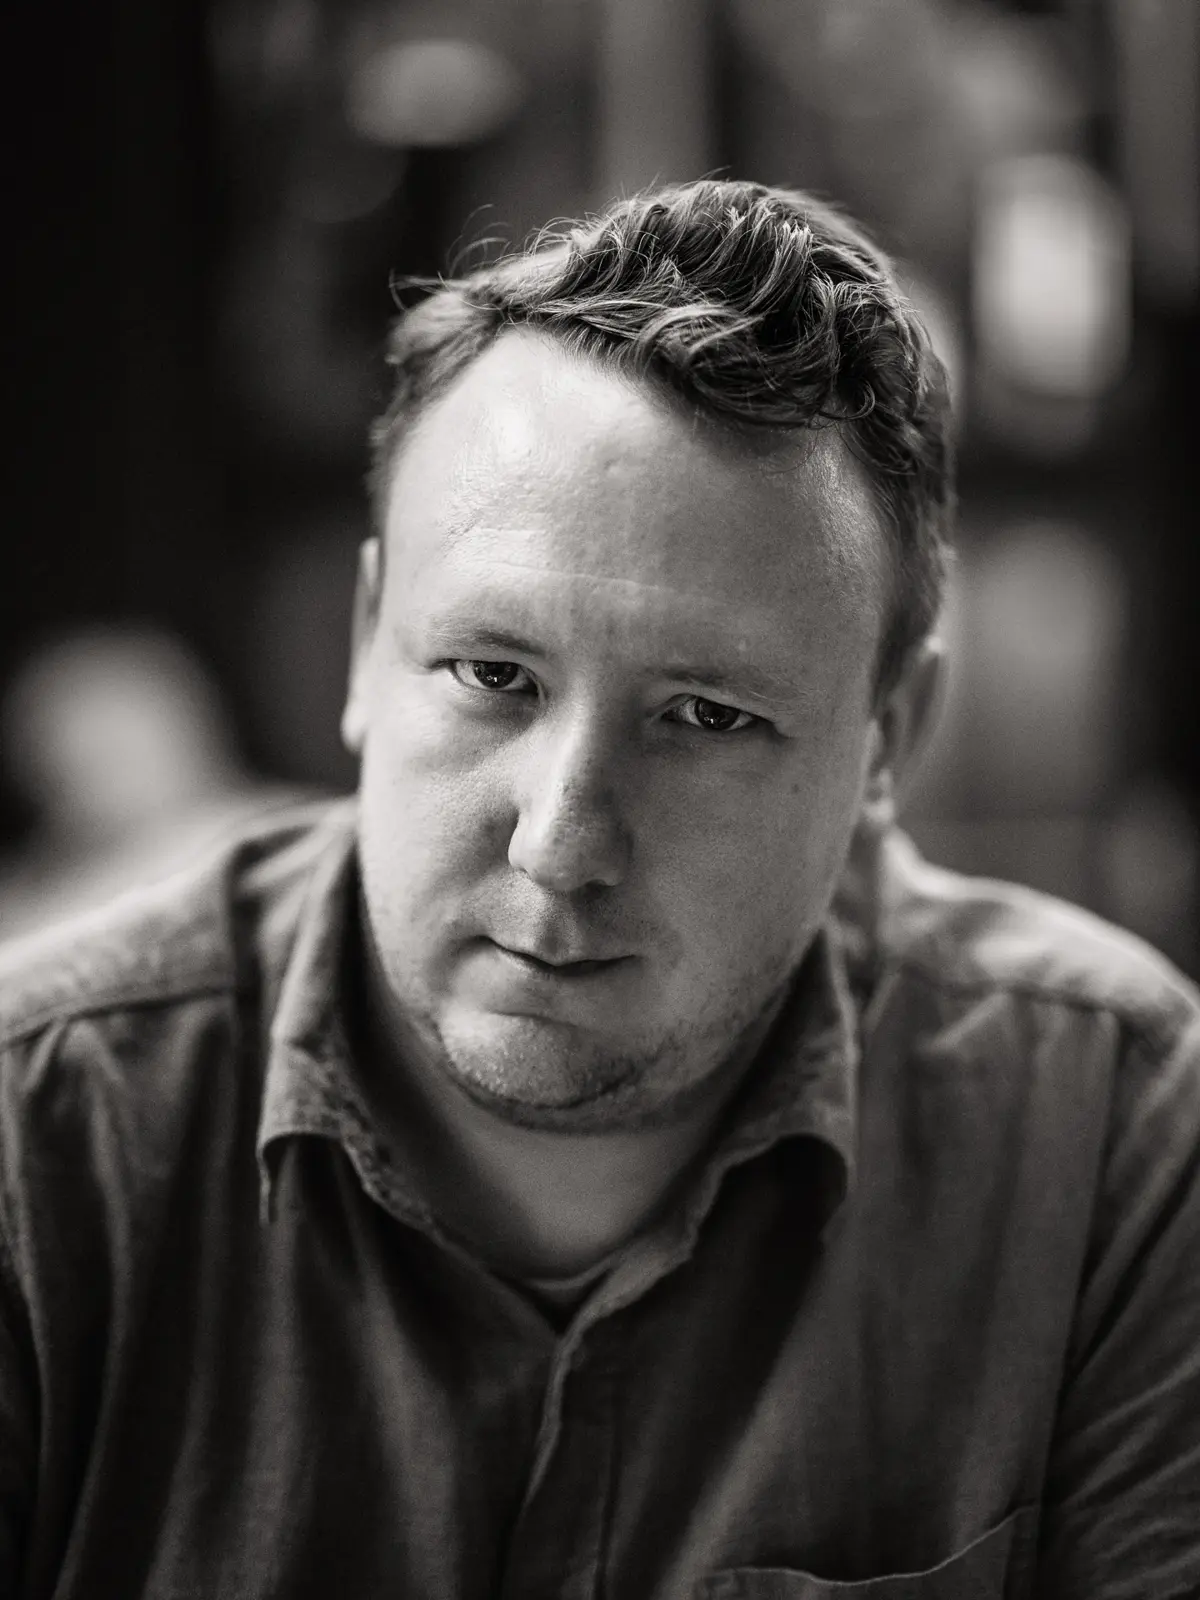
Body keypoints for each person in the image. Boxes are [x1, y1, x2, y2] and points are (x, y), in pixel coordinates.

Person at [0, 180, 1196, 1600]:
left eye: (707, 717)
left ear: (892, 742)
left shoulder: (1105, 1133)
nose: (562, 842)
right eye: (492, 676)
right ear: (367, 645)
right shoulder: (39, 1143)